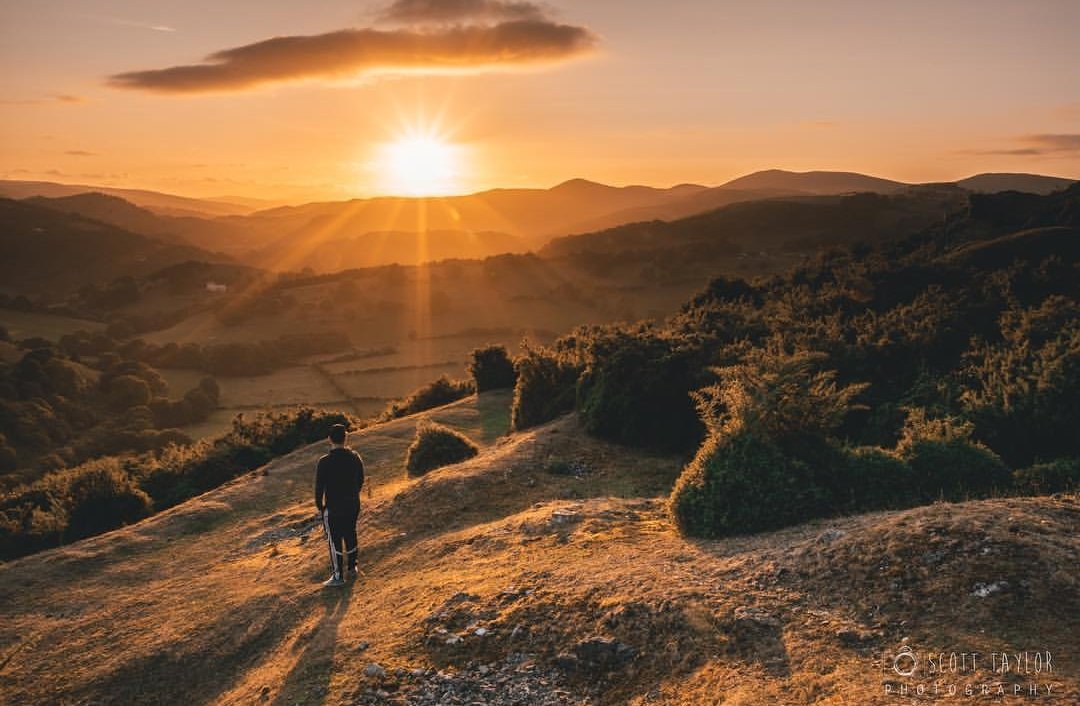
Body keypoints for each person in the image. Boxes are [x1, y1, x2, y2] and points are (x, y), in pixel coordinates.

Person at [314, 423, 365, 587]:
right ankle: (352, 567)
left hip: (334, 507)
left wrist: (320, 506)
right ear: (346, 437)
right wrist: (353, 495)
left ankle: (338, 576)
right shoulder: (355, 457)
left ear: (329, 439)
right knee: (350, 532)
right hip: (352, 504)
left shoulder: (324, 462)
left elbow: (319, 488)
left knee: (334, 540)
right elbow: (360, 480)